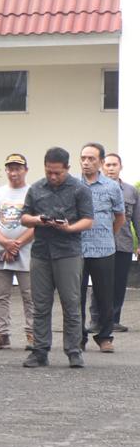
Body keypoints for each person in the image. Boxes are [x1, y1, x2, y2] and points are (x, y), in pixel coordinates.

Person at [19, 146, 95, 368]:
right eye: (49, 172)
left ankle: (73, 351)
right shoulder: (35, 188)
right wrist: (37, 220)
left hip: (68, 252)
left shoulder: (80, 189)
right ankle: (40, 351)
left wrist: (69, 228)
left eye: (58, 173)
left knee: (71, 304)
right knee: (40, 304)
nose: (53, 176)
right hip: (41, 253)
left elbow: (88, 220)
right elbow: (24, 217)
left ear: (67, 168)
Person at [0, 153, 35, 351]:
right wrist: (5, 242)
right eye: (10, 169)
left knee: (30, 296)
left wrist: (17, 244)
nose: (14, 173)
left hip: (27, 251)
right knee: (0, 295)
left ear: (25, 170)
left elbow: (38, 223)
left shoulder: (33, 193)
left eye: (18, 168)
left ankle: (33, 335)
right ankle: (1, 335)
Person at [77, 142, 125, 352]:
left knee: (105, 295)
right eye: (83, 158)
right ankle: (78, 337)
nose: (86, 162)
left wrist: (107, 235)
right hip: (76, 250)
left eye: (91, 159)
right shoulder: (72, 185)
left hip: (104, 249)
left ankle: (105, 337)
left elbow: (120, 216)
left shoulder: (111, 186)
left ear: (101, 162)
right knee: (75, 296)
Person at [98, 152, 140, 331]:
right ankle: (97, 320)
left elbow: (137, 219)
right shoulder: (94, 188)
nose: (111, 168)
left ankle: (114, 320)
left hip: (123, 244)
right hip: (99, 244)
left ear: (120, 167)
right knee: (100, 283)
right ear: (102, 167)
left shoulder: (131, 191)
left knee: (119, 283)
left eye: (114, 165)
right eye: (107, 165)